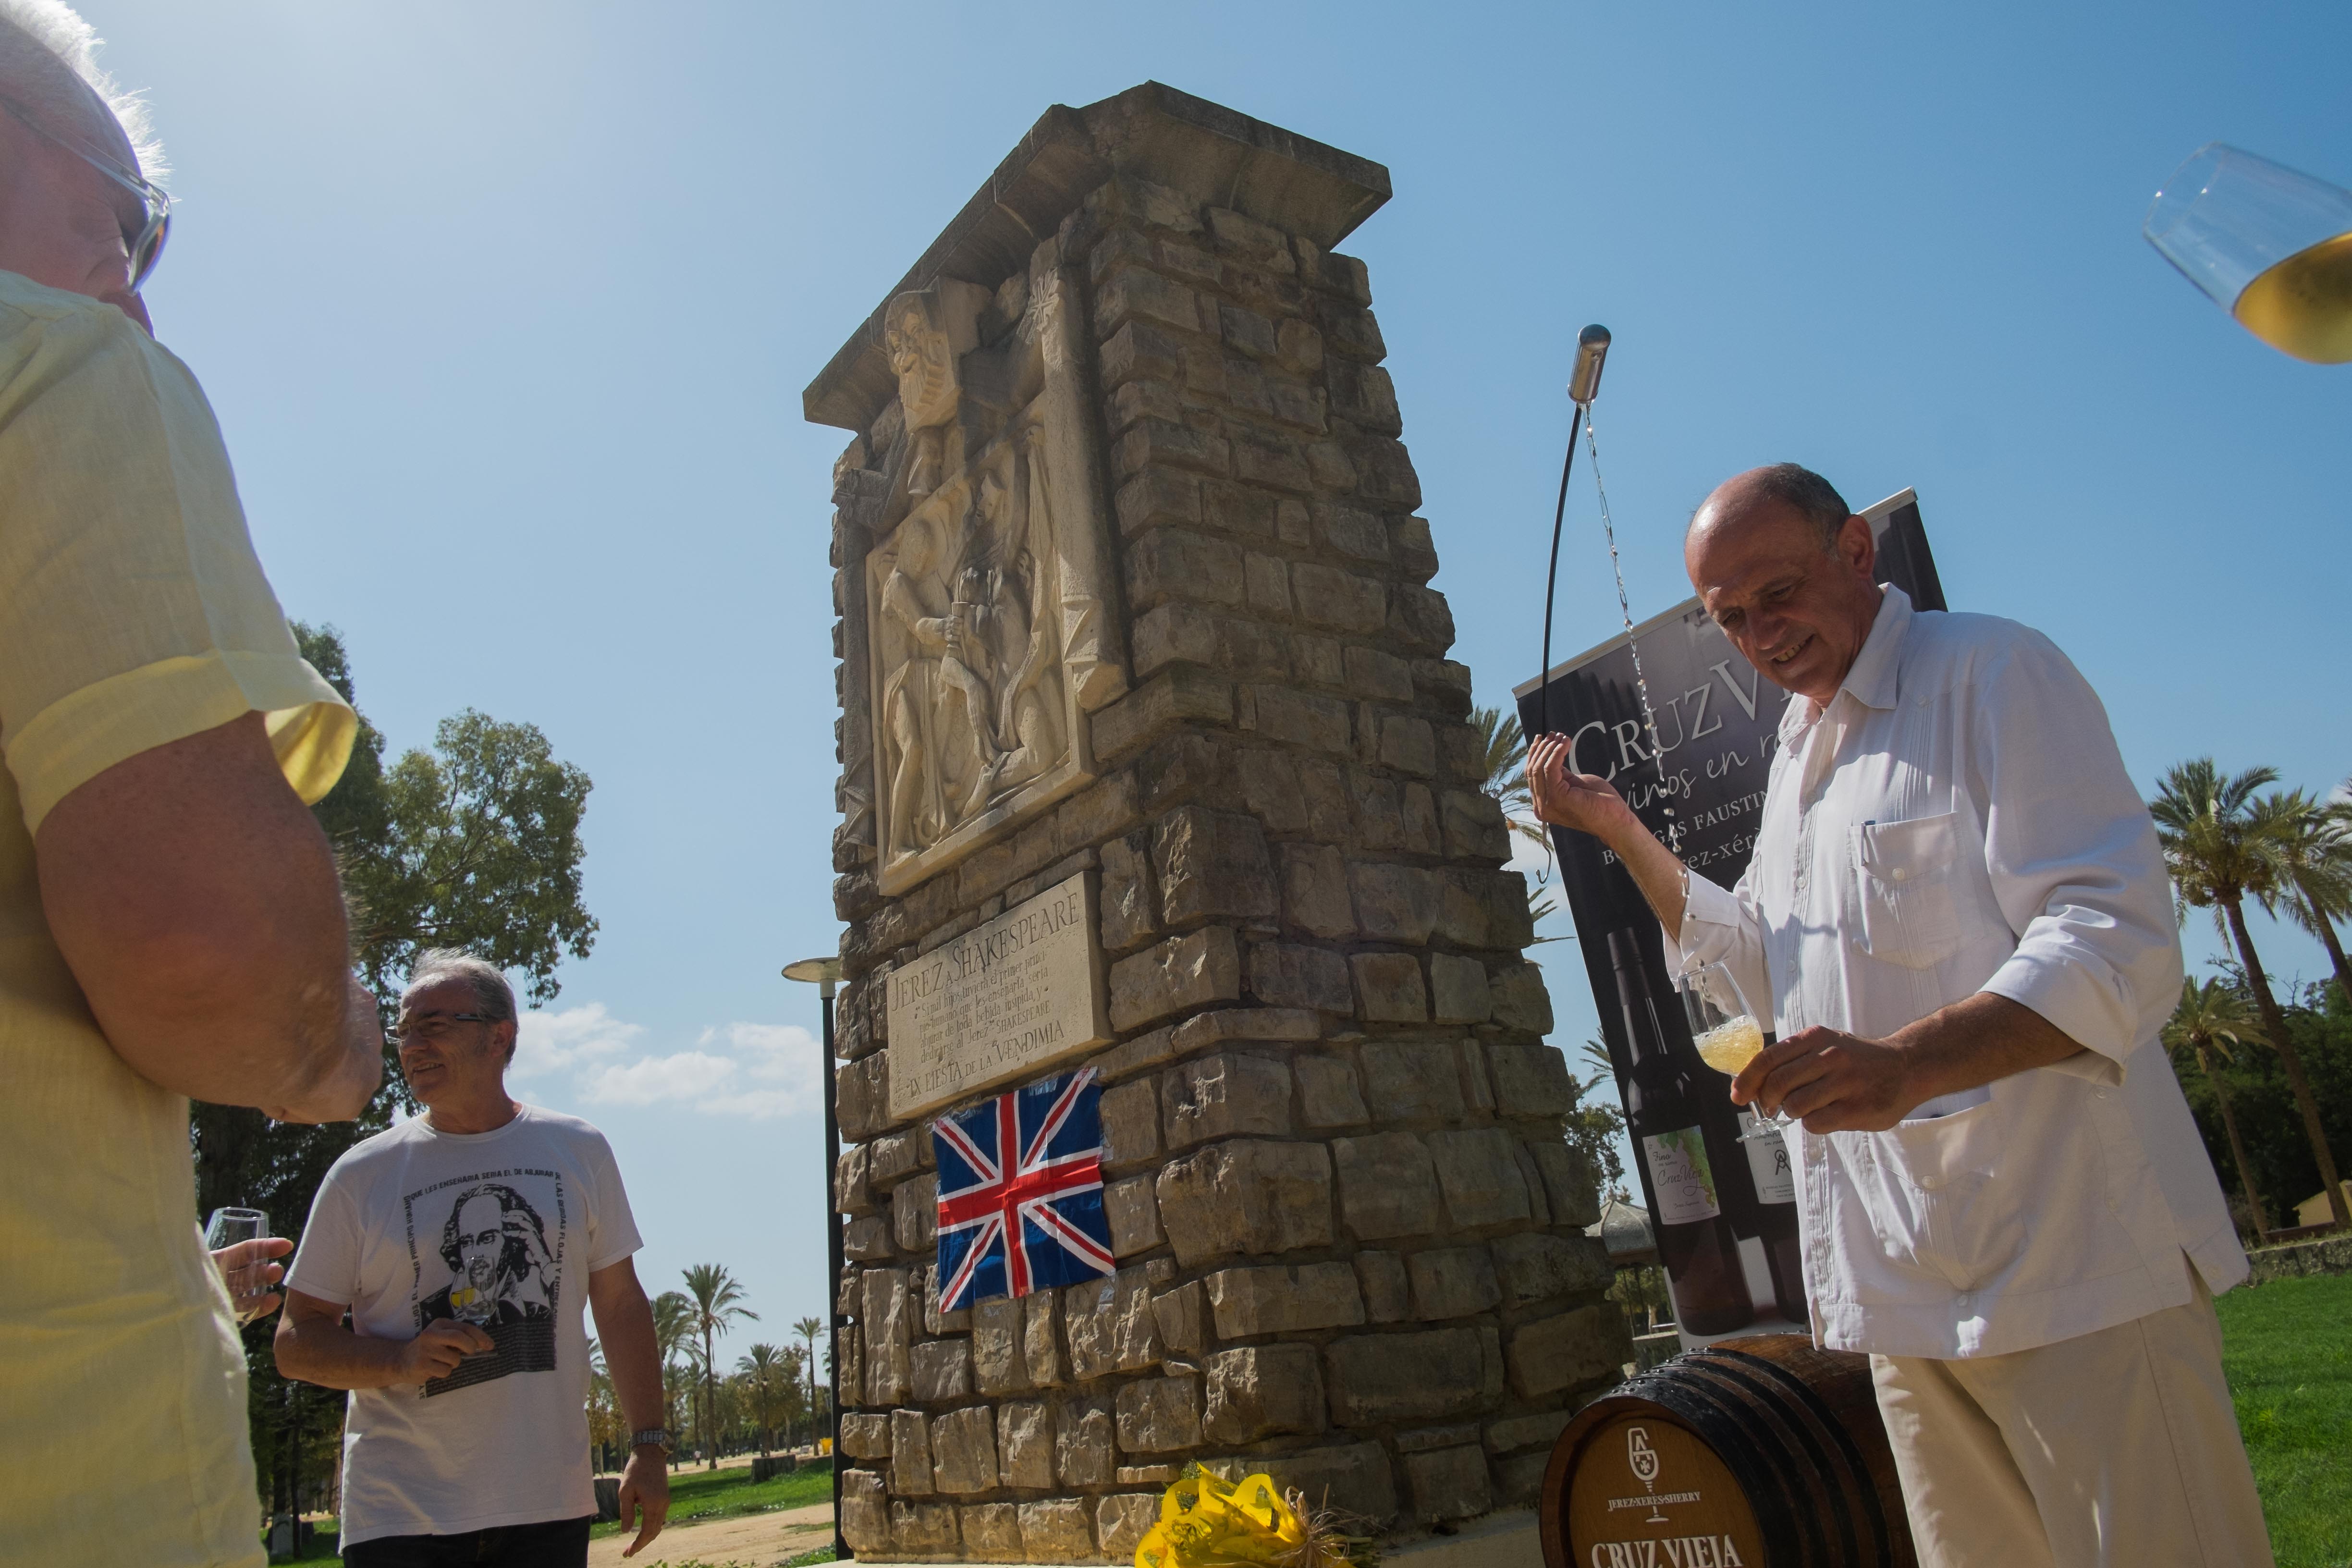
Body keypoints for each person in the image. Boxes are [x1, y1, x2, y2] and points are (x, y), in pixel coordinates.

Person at [1529, 464, 2271, 1567]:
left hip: (2077, 1265)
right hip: (1902, 1295)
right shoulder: (1797, 758)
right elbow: (1757, 963)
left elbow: (2114, 937)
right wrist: (1618, 830)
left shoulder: (1989, 672)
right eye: (1729, 619)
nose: (1758, 634)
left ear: (1855, 553)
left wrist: (1909, 1063)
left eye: (1774, 593)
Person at [0, 4, 384, 1562]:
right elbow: (206, 956)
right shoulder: (55, 375)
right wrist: (333, 1036)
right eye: (130, 227)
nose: (137, 294)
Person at [277, 951, 672, 1566]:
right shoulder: (361, 1177)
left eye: (433, 1026)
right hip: (399, 1518)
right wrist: (401, 1360)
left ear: (500, 1036)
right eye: (404, 1031)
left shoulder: (578, 1151)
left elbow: (620, 1304)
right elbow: (296, 1342)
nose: (411, 1046)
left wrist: (649, 1446)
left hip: (546, 1509)